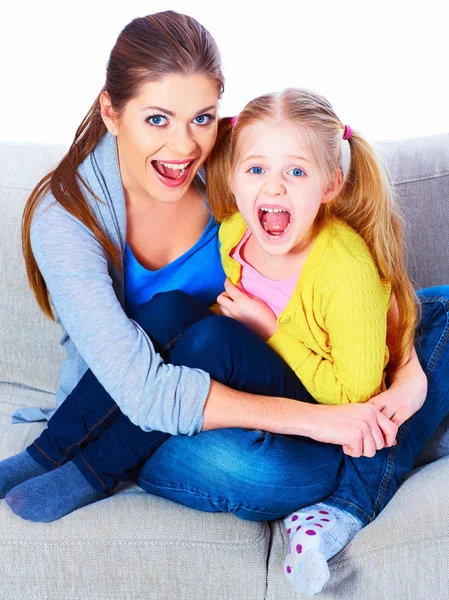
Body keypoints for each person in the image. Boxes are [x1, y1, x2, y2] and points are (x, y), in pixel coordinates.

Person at [1, 10, 448, 596]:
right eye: (157, 118)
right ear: (112, 112)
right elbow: (143, 386)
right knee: (180, 332)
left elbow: (367, 287)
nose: (183, 145)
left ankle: (366, 468)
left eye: (202, 119)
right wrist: (326, 416)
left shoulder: (231, 185)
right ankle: (64, 454)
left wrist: (408, 379)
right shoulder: (75, 219)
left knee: (432, 308)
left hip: (278, 391)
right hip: (147, 400)